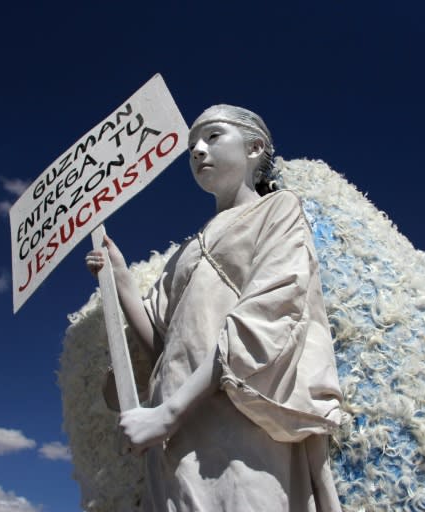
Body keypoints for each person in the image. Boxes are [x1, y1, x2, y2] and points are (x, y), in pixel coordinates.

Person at [86, 105, 343, 511]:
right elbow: (163, 344)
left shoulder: (278, 209)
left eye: (212, 137)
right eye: (191, 146)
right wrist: (121, 281)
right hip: (173, 424)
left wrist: (170, 412)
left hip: (243, 408)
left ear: (255, 147)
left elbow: (270, 311)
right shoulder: (186, 251)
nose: (197, 151)